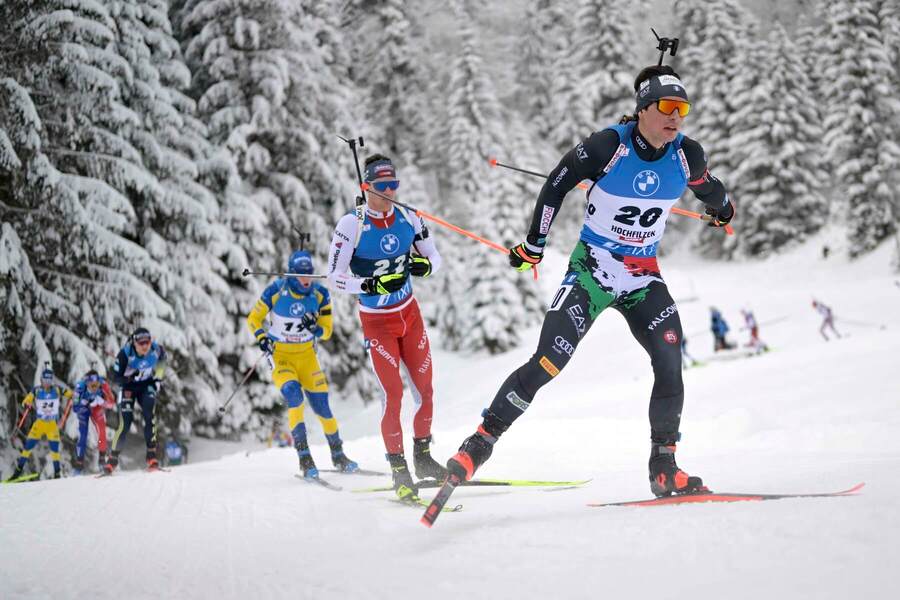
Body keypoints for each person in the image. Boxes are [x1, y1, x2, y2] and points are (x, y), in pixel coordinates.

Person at [444, 64, 735, 498]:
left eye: (683, 108)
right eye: (667, 107)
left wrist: (722, 208)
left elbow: (706, 187)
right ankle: (478, 444)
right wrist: (534, 244)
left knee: (671, 360)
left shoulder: (686, 153)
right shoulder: (607, 146)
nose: (676, 116)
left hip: (642, 279)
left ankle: (664, 465)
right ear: (642, 110)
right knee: (549, 361)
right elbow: (556, 186)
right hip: (592, 271)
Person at [327, 153, 447, 498]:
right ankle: (399, 471)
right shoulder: (352, 224)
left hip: (409, 315)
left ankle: (423, 458)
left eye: (395, 185)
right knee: (392, 395)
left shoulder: (407, 216)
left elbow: (435, 257)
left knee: (425, 389)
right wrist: (368, 285)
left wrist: (426, 267)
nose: (390, 192)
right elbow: (335, 278)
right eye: (383, 187)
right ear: (366, 187)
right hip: (377, 324)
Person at [247, 250, 358, 478]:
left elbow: (327, 331)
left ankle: (338, 456)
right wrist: (262, 337)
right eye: (301, 275)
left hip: (307, 358)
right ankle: (305, 458)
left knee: (323, 408)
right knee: (293, 396)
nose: (306, 279)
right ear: (291, 274)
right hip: (282, 357)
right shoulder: (276, 290)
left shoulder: (320, 294)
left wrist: (315, 328)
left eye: (309, 274)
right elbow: (253, 319)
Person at [106, 327, 167, 472]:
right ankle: (112, 459)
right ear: (134, 343)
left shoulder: (155, 349)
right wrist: (130, 377)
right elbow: (115, 377)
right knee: (125, 423)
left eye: (147, 342)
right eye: (141, 343)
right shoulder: (125, 354)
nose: (145, 346)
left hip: (146, 386)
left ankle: (151, 456)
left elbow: (163, 358)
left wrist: (158, 378)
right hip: (128, 388)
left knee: (149, 415)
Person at [6, 368, 73, 481]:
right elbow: (26, 400)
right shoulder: (36, 390)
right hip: (40, 423)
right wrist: (26, 403)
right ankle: (17, 473)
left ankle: (57, 473)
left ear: (52, 381)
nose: (47, 383)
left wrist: (74, 396)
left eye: (49, 380)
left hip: (51, 424)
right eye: (44, 380)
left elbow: (70, 393)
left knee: (54, 450)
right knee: (27, 447)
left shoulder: (57, 390)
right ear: (41, 380)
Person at [71, 370, 115, 474]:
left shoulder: (103, 384)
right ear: (86, 383)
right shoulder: (80, 387)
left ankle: (102, 458)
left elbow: (112, 403)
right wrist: (83, 403)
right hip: (84, 408)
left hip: (97, 407)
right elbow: (75, 408)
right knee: (83, 434)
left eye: (96, 385)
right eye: (91, 385)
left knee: (101, 431)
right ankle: (79, 461)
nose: (94, 388)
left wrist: (103, 402)